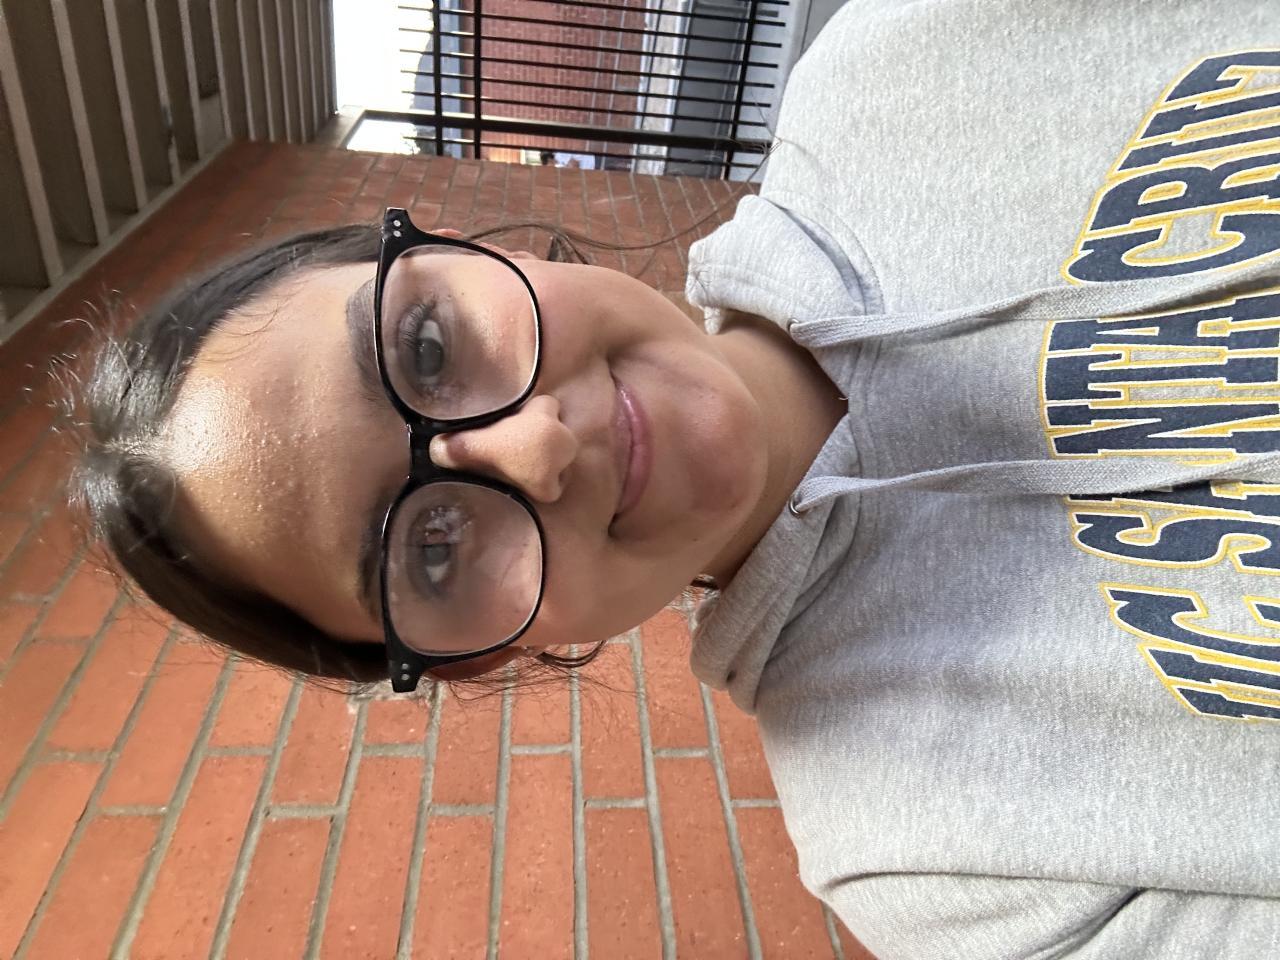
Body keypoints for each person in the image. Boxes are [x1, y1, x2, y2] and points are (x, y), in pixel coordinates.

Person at [73, 1, 1280, 956]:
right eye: (428, 549)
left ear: (475, 247)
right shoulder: (942, 865)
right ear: (483, 654)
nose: (538, 449)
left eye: (427, 349)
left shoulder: (913, 51)